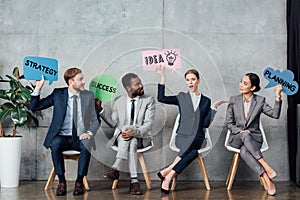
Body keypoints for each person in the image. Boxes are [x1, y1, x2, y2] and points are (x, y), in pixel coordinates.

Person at [156, 66, 227, 194]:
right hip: (182, 138)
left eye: (193, 79)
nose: (190, 82)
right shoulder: (181, 97)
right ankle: (169, 175)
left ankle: (168, 171)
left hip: (198, 137)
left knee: (194, 141)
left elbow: (205, 124)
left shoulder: (206, 101)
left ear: (198, 81)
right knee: (193, 153)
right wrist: (162, 77)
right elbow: (161, 98)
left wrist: (214, 109)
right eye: (188, 80)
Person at [30, 67, 100, 196]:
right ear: (71, 82)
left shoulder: (88, 96)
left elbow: (96, 121)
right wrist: (38, 88)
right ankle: (62, 182)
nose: (84, 82)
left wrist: (89, 133)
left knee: (87, 144)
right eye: (81, 79)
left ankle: (79, 182)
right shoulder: (58, 94)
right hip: (62, 137)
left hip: (80, 137)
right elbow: (35, 107)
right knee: (55, 144)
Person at [96, 73, 155, 195]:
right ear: (128, 88)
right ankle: (134, 182)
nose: (141, 85)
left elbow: (148, 123)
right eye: (137, 84)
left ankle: (116, 168)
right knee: (130, 140)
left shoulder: (148, 100)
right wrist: (100, 110)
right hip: (125, 138)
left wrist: (135, 132)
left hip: (141, 137)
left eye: (140, 83)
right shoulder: (119, 101)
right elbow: (113, 123)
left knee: (130, 134)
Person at [226, 72, 282, 196]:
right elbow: (229, 124)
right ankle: (266, 165)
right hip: (237, 137)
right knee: (245, 135)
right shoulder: (233, 100)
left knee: (244, 152)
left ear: (253, 88)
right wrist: (240, 131)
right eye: (241, 81)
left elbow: (275, 114)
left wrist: (278, 97)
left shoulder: (260, 101)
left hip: (254, 139)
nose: (241, 85)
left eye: (245, 83)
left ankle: (267, 179)